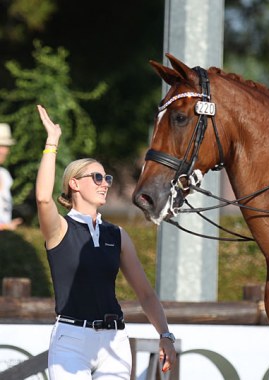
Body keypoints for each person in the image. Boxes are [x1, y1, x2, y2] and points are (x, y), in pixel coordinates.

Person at [35, 105, 176, 379]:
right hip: (72, 341)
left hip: (115, 341)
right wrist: (52, 143)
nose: (105, 184)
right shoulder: (60, 228)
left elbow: (146, 294)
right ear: (74, 184)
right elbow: (42, 198)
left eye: (107, 178)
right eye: (97, 177)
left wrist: (165, 334)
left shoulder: (117, 234)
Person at [0, 123, 23, 231]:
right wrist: (5, 227)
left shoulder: (4, 174)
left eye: (6, 146)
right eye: (0, 146)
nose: (3, 151)